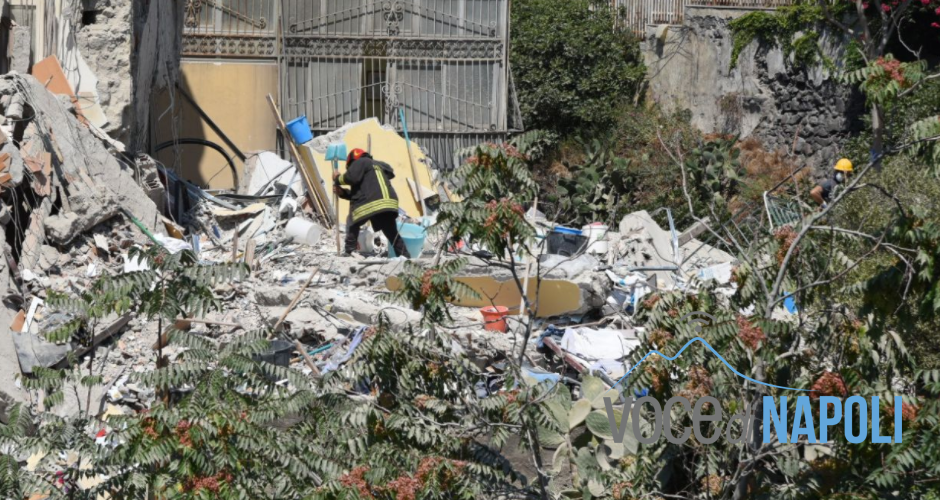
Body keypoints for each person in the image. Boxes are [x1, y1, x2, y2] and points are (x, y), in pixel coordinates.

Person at [333, 148, 411, 258]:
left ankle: (349, 251)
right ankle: (405, 256)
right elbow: (363, 193)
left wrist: (337, 178)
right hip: (388, 202)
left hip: (373, 201)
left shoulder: (360, 161)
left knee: (352, 220)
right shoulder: (378, 167)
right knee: (391, 232)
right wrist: (343, 193)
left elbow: (351, 177)